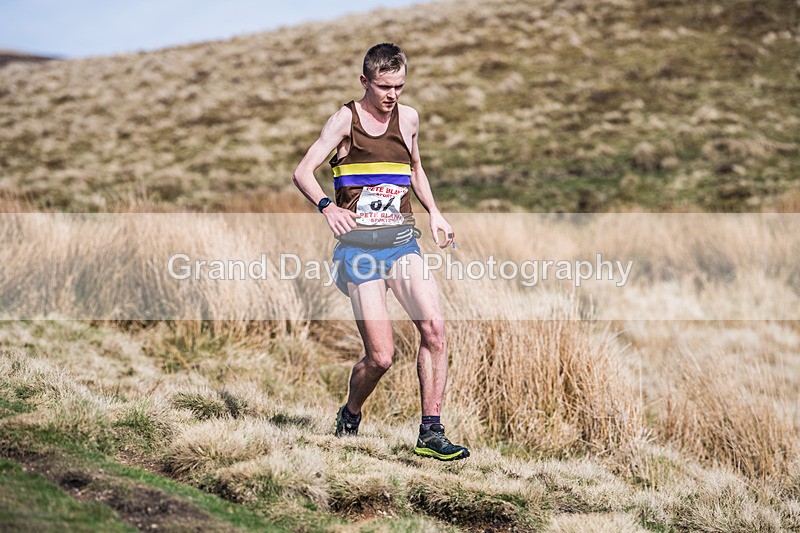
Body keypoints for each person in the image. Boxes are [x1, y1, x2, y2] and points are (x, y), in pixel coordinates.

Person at [291, 43, 469, 461]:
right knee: (381, 357)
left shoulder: (409, 119)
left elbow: (415, 169)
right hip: (360, 252)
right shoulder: (345, 120)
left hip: (402, 244)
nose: (392, 95)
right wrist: (327, 206)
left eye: (399, 86)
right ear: (365, 82)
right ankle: (351, 412)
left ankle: (431, 432)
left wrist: (435, 213)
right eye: (384, 87)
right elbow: (302, 172)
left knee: (434, 330)